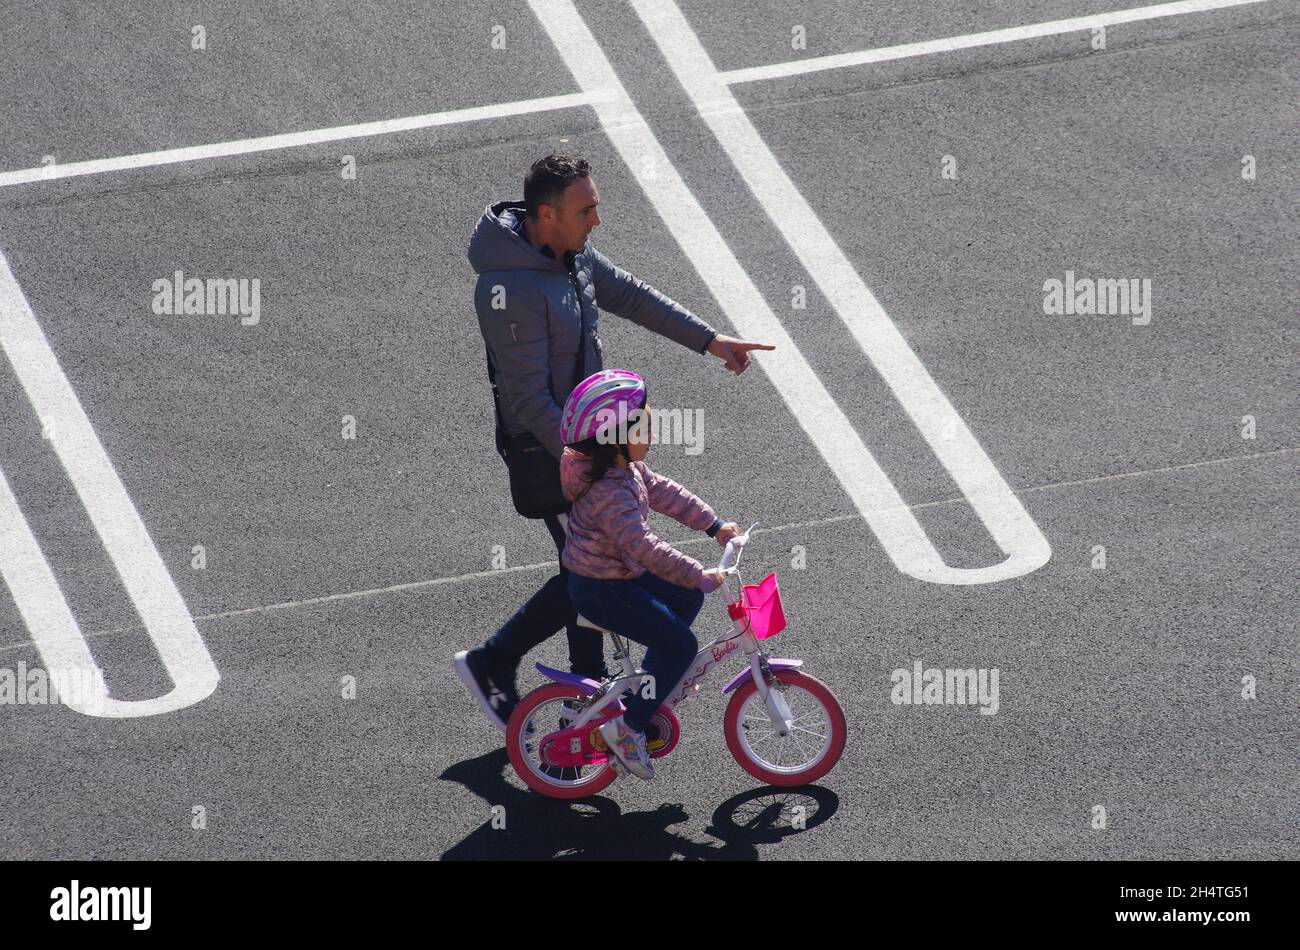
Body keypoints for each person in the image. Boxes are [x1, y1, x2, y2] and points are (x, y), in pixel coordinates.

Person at [456, 155, 773, 731]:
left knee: (586, 566)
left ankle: (577, 687)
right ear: (546, 214)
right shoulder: (509, 288)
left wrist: (708, 340)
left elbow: (628, 294)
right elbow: (528, 399)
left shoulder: (569, 256)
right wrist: (594, 467)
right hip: (550, 452)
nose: (597, 220)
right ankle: (506, 665)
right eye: (587, 209)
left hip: (594, 446)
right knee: (589, 570)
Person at [559, 369, 738, 780]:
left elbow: (663, 492)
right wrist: (697, 572)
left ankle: (649, 686)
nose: (652, 430)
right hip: (601, 588)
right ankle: (626, 728)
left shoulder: (625, 471)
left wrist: (713, 525)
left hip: (619, 574)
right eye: (645, 424)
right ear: (614, 439)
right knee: (680, 645)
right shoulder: (609, 492)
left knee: (686, 599)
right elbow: (642, 546)